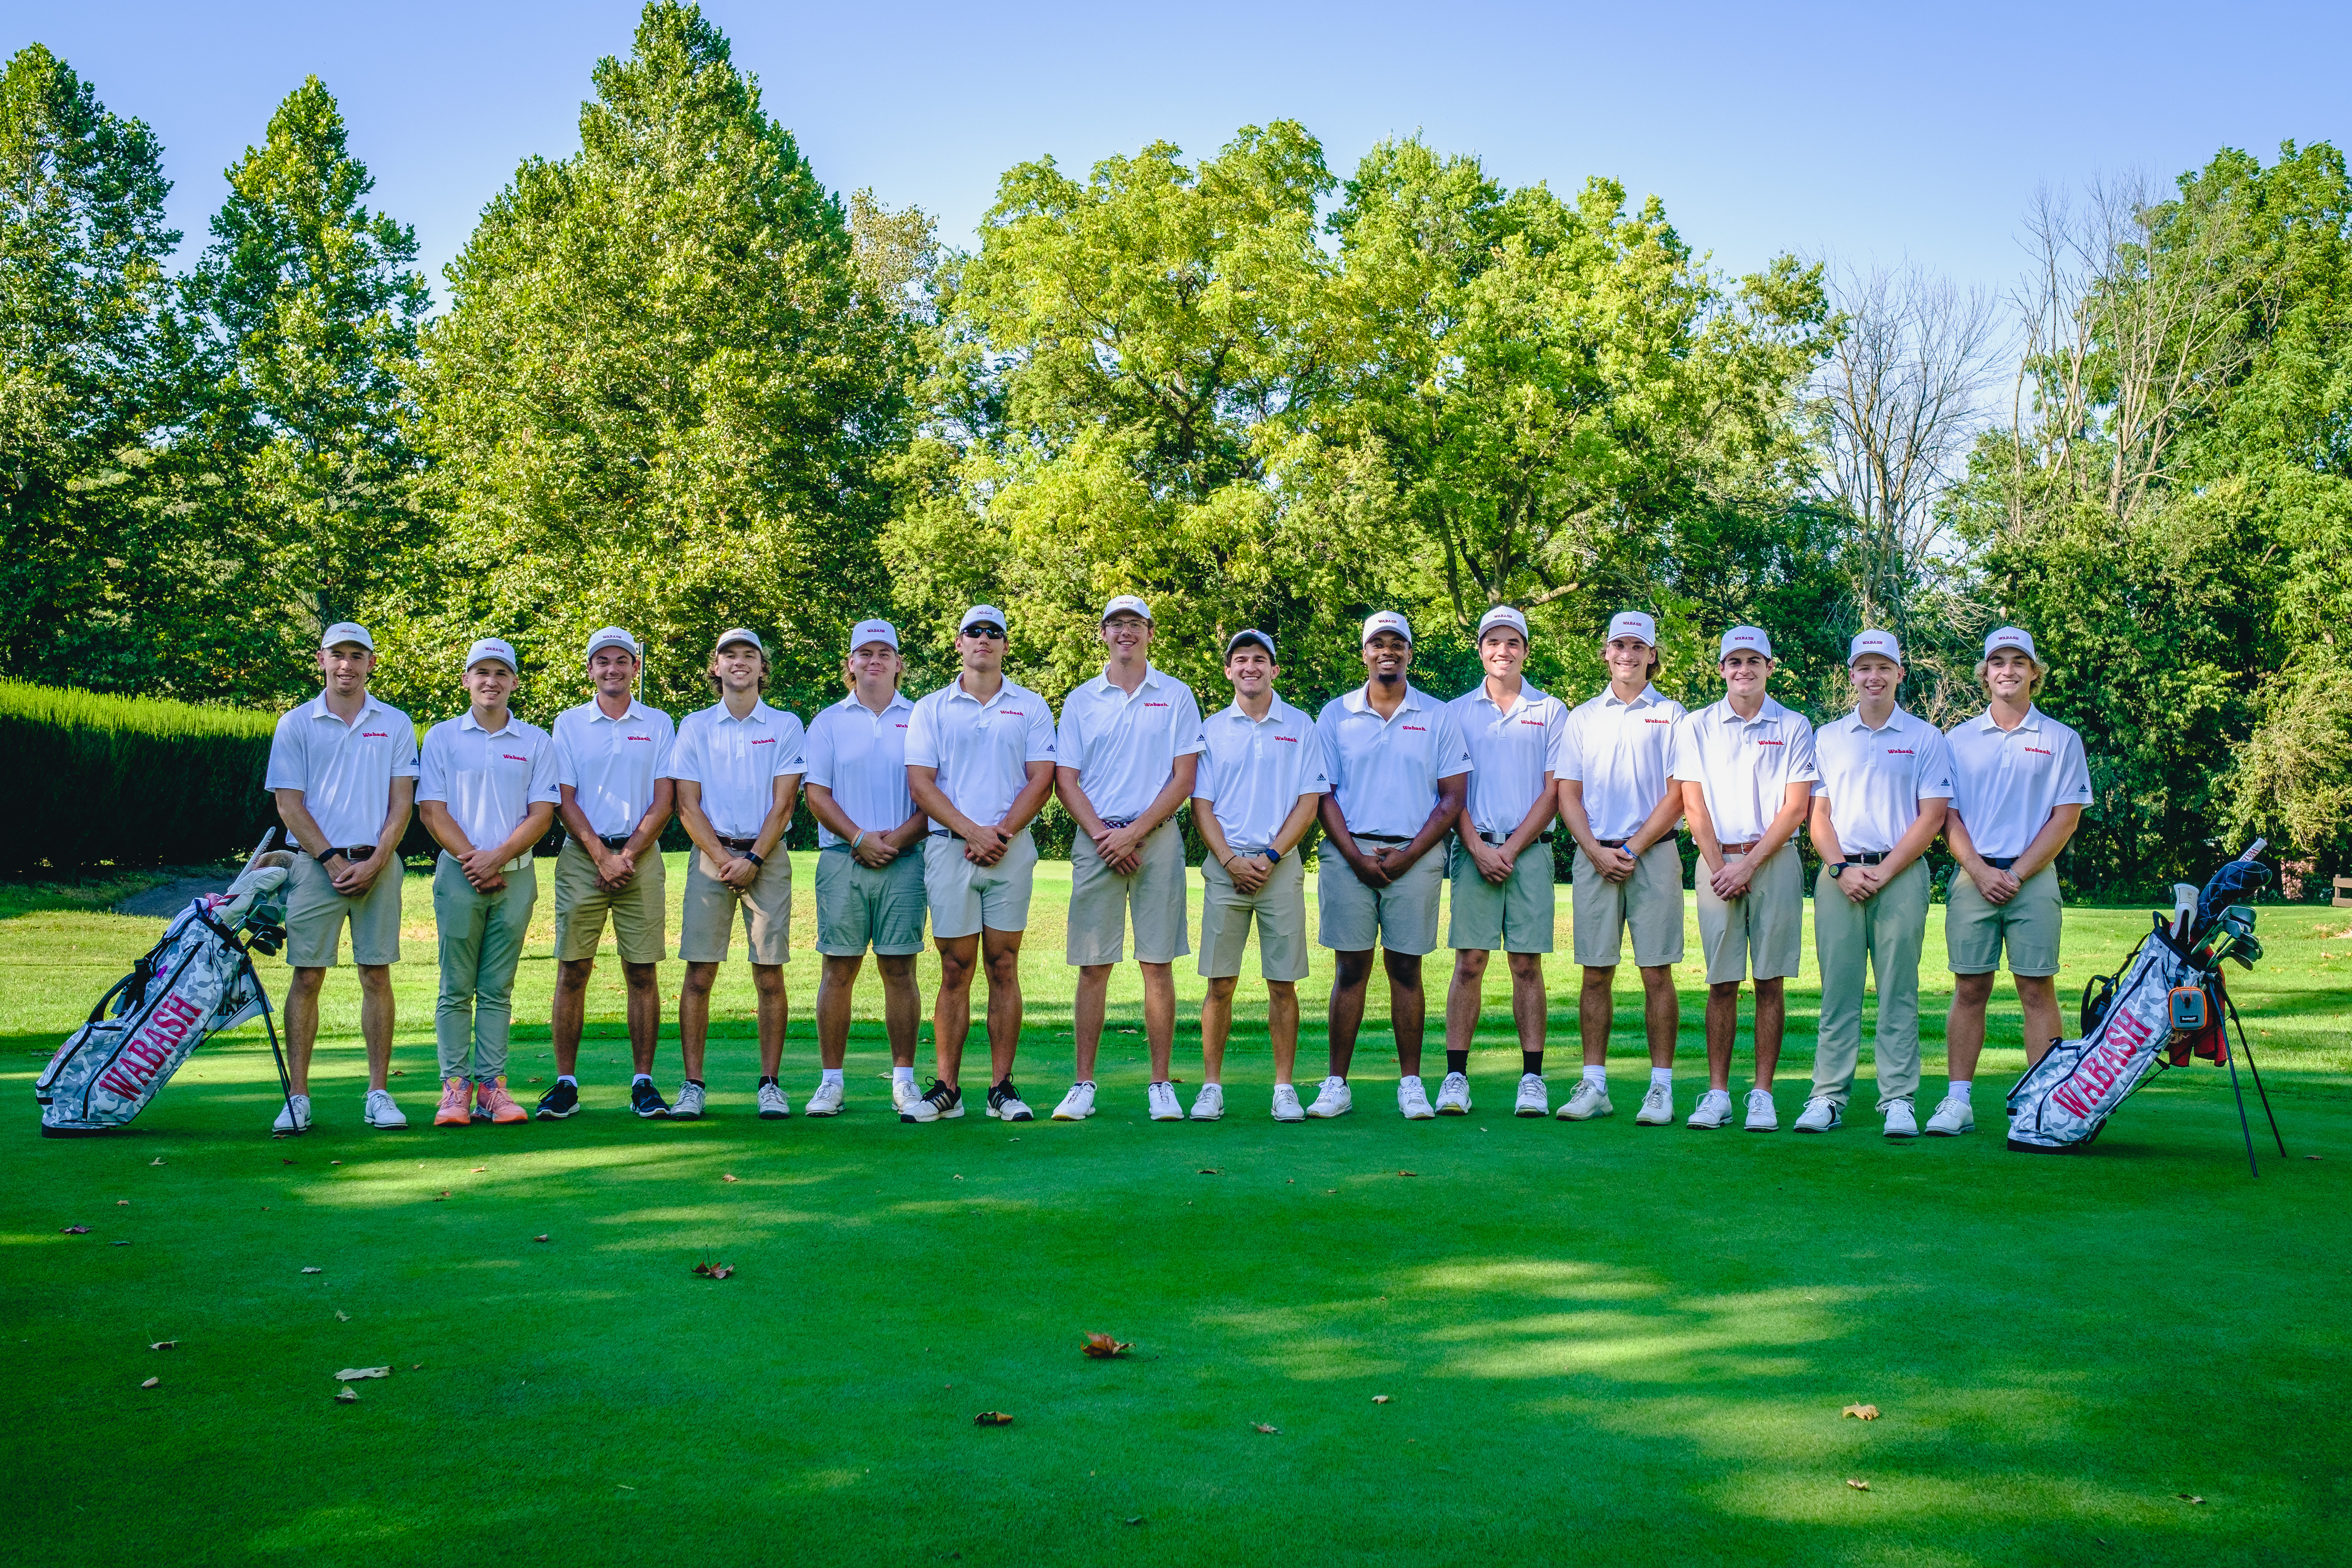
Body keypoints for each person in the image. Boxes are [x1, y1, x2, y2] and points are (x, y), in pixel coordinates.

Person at [1309, 611, 1474, 1121]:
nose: (1387, 651)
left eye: (1396, 643)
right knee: (1350, 968)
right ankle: (1336, 1083)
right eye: (1377, 643)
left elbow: (1450, 800)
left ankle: (1409, 1083)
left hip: (1415, 853)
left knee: (1405, 967)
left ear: (1408, 652)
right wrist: (1356, 856)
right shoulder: (1334, 714)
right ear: (1363, 653)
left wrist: (1406, 856)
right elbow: (1323, 794)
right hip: (1347, 852)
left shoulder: (1437, 715)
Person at [1049, 596, 1205, 1122]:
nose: (1124, 632)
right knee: (1093, 966)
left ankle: (1160, 1085)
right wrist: (1102, 835)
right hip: (1096, 842)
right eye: (1115, 624)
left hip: (1155, 840)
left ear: (1149, 632)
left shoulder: (1176, 696)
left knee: (1156, 964)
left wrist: (1134, 832)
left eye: (1134, 624)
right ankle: (1082, 1084)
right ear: (1102, 634)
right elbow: (1064, 779)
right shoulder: (1080, 700)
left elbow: (1183, 777)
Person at [1932, 626, 2092, 1136]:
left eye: (2017, 662)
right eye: (1997, 661)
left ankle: (2041, 1102)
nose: (2007, 670)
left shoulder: (2061, 739)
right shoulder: (1954, 740)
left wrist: (2016, 873)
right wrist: (1980, 871)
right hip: (1971, 876)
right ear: (1984, 674)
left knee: (2036, 990)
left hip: (2034, 878)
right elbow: (1945, 816)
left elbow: (2064, 818)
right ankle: (1957, 1102)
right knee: (1970, 987)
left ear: (2033, 673)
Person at [1796, 631, 1954, 1138]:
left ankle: (1898, 1100)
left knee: (1897, 992)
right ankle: (1826, 1097)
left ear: (1898, 674)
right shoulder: (1827, 737)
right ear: (1851, 675)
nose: (1873, 676)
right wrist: (1841, 869)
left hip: (1900, 876)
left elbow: (1931, 816)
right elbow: (1815, 815)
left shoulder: (1924, 737)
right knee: (1837, 993)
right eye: (1863, 668)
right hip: (1839, 876)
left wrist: (1883, 872)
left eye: (1882, 667)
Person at [263, 621, 419, 1133]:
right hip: (314, 867)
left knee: (376, 974)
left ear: (371, 662)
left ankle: (378, 1093)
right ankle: (298, 1097)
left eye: (357, 655)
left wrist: (376, 861)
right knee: (307, 976)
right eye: (338, 655)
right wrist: (332, 860)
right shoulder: (295, 723)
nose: (347, 664)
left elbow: (402, 803)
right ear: (322, 659)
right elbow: (289, 805)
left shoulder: (395, 722)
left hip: (378, 865)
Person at [904, 605, 1058, 1122]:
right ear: (959, 643)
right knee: (954, 968)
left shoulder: (1031, 706)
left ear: (1005, 646)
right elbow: (921, 784)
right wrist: (973, 832)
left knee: (1003, 964)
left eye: (994, 633)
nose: (984, 640)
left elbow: (1041, 778)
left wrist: (1000, 834)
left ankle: (1001, 1088)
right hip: (950, 848)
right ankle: (946, 1087)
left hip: (1009, 851)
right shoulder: (930, 708)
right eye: (975, 632)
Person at [1670, 625, 1817, 1131]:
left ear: (1770, 668)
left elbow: (1795, 807)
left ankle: (1762, 1094)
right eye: (1734, 662)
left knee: (1769, 980)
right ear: (1721, 670)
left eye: (1754, 661)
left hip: (1772, 862)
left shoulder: (1795, 724)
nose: (1744, 670)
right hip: (1716, 864)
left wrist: (1748, 865)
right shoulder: (1696, 725)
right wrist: (1721, 868)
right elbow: (1694, 805)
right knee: (1721, 982)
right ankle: (1717, 1093)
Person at [415, 638, 559, 1127]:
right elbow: (432, 809)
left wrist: (497, 857)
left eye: (501, 673)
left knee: (497, 988)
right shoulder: (441, 737)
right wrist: (473, 860)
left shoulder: (536, 740)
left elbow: (543, 813)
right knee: (456, 986)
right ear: (466, 680)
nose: (491, 681)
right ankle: (454, 1088)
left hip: (516, 877)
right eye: (481, 672)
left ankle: (492, 1088)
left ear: (514, 681)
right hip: (459, 877)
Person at [1189, 629, 1330, 1122]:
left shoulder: (1300, 725)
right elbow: (1200, 805)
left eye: (1260, 659)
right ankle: (1210, 1087)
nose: (1250, 667)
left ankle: (1285, 1088)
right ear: (1228, 670)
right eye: (1241, 659)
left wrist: (1270, 856)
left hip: (1280, 868)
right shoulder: (1210, 728)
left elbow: (1308, 802)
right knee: (1220, 983)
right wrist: (1230, 861)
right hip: (1225, 869)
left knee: (1282, 984)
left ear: (1274, 669)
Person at [1555, 611, 1687, 1127]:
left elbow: (1678, 794)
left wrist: (1631, 848)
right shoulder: (1581, 716)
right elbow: (1567, 793)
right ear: (1605, 653)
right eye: (1619, 646)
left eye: (1638, 647)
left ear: (1651, 655)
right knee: (1595, 972)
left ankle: (1660, 1088)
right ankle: (1594, 1084)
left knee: (1656, 972)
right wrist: (1593, 849)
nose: (1627, 655)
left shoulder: (1672, 714)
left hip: (1652, 856)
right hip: (1594, 856)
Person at [669, 629, 805, 1120]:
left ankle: (770, 1084)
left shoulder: (786, 724)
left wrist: (752, 860)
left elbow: (784, 803)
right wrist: (725, 857)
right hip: (711, 856)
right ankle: (693, 1085)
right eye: (730, 655)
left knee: (769, 974)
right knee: (699, 972)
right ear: (716, 668)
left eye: (750, 655)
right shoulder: (695, 725)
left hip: (766, 858)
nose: (740, 662)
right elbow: (687, 804)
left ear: (762, 669)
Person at [539, 628, 674, 1121]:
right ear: (591, 669)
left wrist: (629, 855)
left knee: (642, 970)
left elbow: (665, 799)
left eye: (622, 660)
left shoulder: (659, 723)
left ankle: (643, 1082)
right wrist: (601, 856)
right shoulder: (569, 723)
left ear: (635, 667)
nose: (613, 669)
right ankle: (566, 1083)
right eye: (603, 661)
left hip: (640, 856)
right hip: (583, 857)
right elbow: (564, 799)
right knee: (573, 968)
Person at [802, 619, 932, 1120]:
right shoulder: (828, 721)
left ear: (899, 663)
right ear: (850, 664)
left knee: (899, 968)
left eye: (885, 653)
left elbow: (933, 793)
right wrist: (859, 838)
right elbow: (817, 794)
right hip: (843, 857)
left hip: (905, 858)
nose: (874, 661)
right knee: (839, 968)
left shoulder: (922, 717)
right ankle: (831, 1083)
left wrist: (895, 840)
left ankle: (904, 1082)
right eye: (865, 654)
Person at [1440, 606, 1566, 1118]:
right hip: (1472, 849)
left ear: (1525, 650)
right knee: (1469, 963)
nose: (1502, 650)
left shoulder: (1550, 709)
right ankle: (1454, 1077)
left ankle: (1532, 1079)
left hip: (1528, 853)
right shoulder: (1454, 712)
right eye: (1493, 641)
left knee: (1524, 964)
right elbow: (1450, 790)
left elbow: (1554, 790)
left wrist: (1510, 848)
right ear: (1479, 649)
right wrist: (1476, 847)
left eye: (1512, 642)